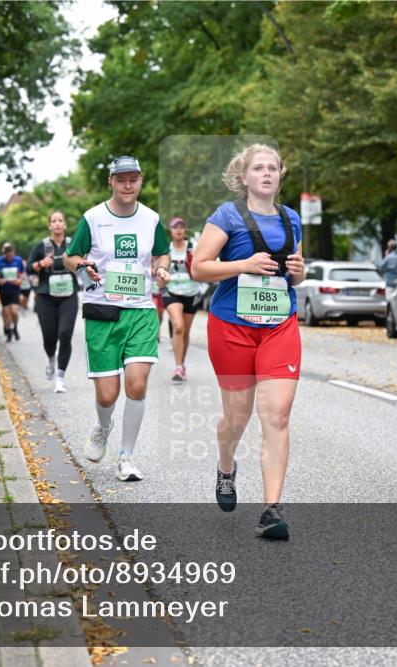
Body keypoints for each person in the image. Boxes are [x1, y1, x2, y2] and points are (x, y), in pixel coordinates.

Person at [191, 143, 305, 540]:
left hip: (279, 325)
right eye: (259, 168)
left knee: (276, 415)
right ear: (244, 177)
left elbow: (295, 277)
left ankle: (272, 510)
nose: (267, 174)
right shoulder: (227, 216)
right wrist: (243, 265)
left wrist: (299, 270)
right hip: (232, 326)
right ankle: (226, 466)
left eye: (273, 168)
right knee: (237, 417)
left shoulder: (292, 219)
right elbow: (199, 267)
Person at [63, 155, 171, 482]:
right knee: (107, 395)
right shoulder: (92, 218)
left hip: (140, 310)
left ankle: (126, 457)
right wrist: (83, 266)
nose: (128, 185)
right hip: (102, 311)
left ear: (140, 181)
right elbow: (69, 257)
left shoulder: (151, 219)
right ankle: (103, 426)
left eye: (134, 179)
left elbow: (161, 253)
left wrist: (161, 268)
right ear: (110, 181)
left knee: (136, 385)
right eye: (121, 179)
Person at [28, 210, 80, 393]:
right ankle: (51, 358)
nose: (57, 224)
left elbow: (84, 261)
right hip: (46, 296)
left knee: (65, 334)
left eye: (60, 220)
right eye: (54, 221)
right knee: (49, 338)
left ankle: (60, 377)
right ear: (50, 225)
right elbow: (29, 267)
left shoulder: (72, 243)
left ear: (64, 224)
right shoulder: (42, 246)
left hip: (69, 295)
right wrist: (40, 264)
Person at [161, 217, 202, 382]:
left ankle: (182, 364)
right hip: (172, 291)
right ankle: (178, 366)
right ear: (170, 231)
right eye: (175, 227)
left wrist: (195, 260)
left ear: (185, 230)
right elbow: (156, 266)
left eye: (182, 227)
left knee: (185, 331)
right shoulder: (166, 250)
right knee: (178, 326)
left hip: (192, 292)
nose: (179, 230)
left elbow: (204, 266)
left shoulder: (194, 248)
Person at [0, 243, 25, 341]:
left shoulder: (18, 260)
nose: (10, 258)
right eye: (8, 256)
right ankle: (8, 330)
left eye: (12, 255)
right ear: (4, 254)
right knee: (6, 312)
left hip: (15, 289)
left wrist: (20, 280)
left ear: (14, 253)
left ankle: (15, 327)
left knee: (14, 311)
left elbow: (22, 273)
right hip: (4, 289)